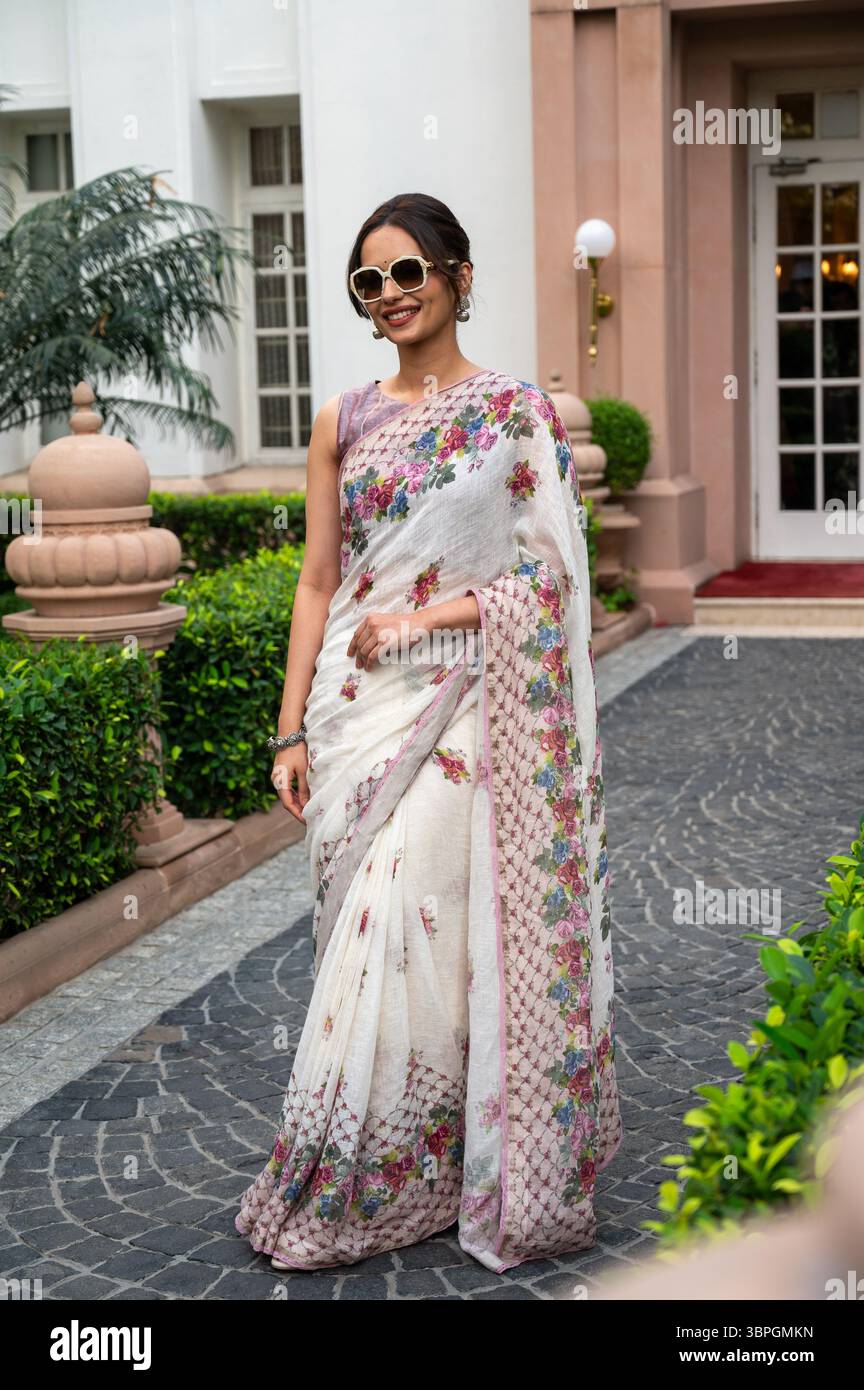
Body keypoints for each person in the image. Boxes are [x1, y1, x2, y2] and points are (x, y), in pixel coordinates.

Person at [233, 192, 622, 1274]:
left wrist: (433, 619)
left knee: (407, 916)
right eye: (370, 281)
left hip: (462, 695)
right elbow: (319, 581)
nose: (392, 294)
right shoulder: (343, 418)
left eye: (409, 272)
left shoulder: (511, 415)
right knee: (391, 923)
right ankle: (411, 1156)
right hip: (357, 713)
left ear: (454, 273)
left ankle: (377, 1169)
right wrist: (287, 731)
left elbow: (550, 585)